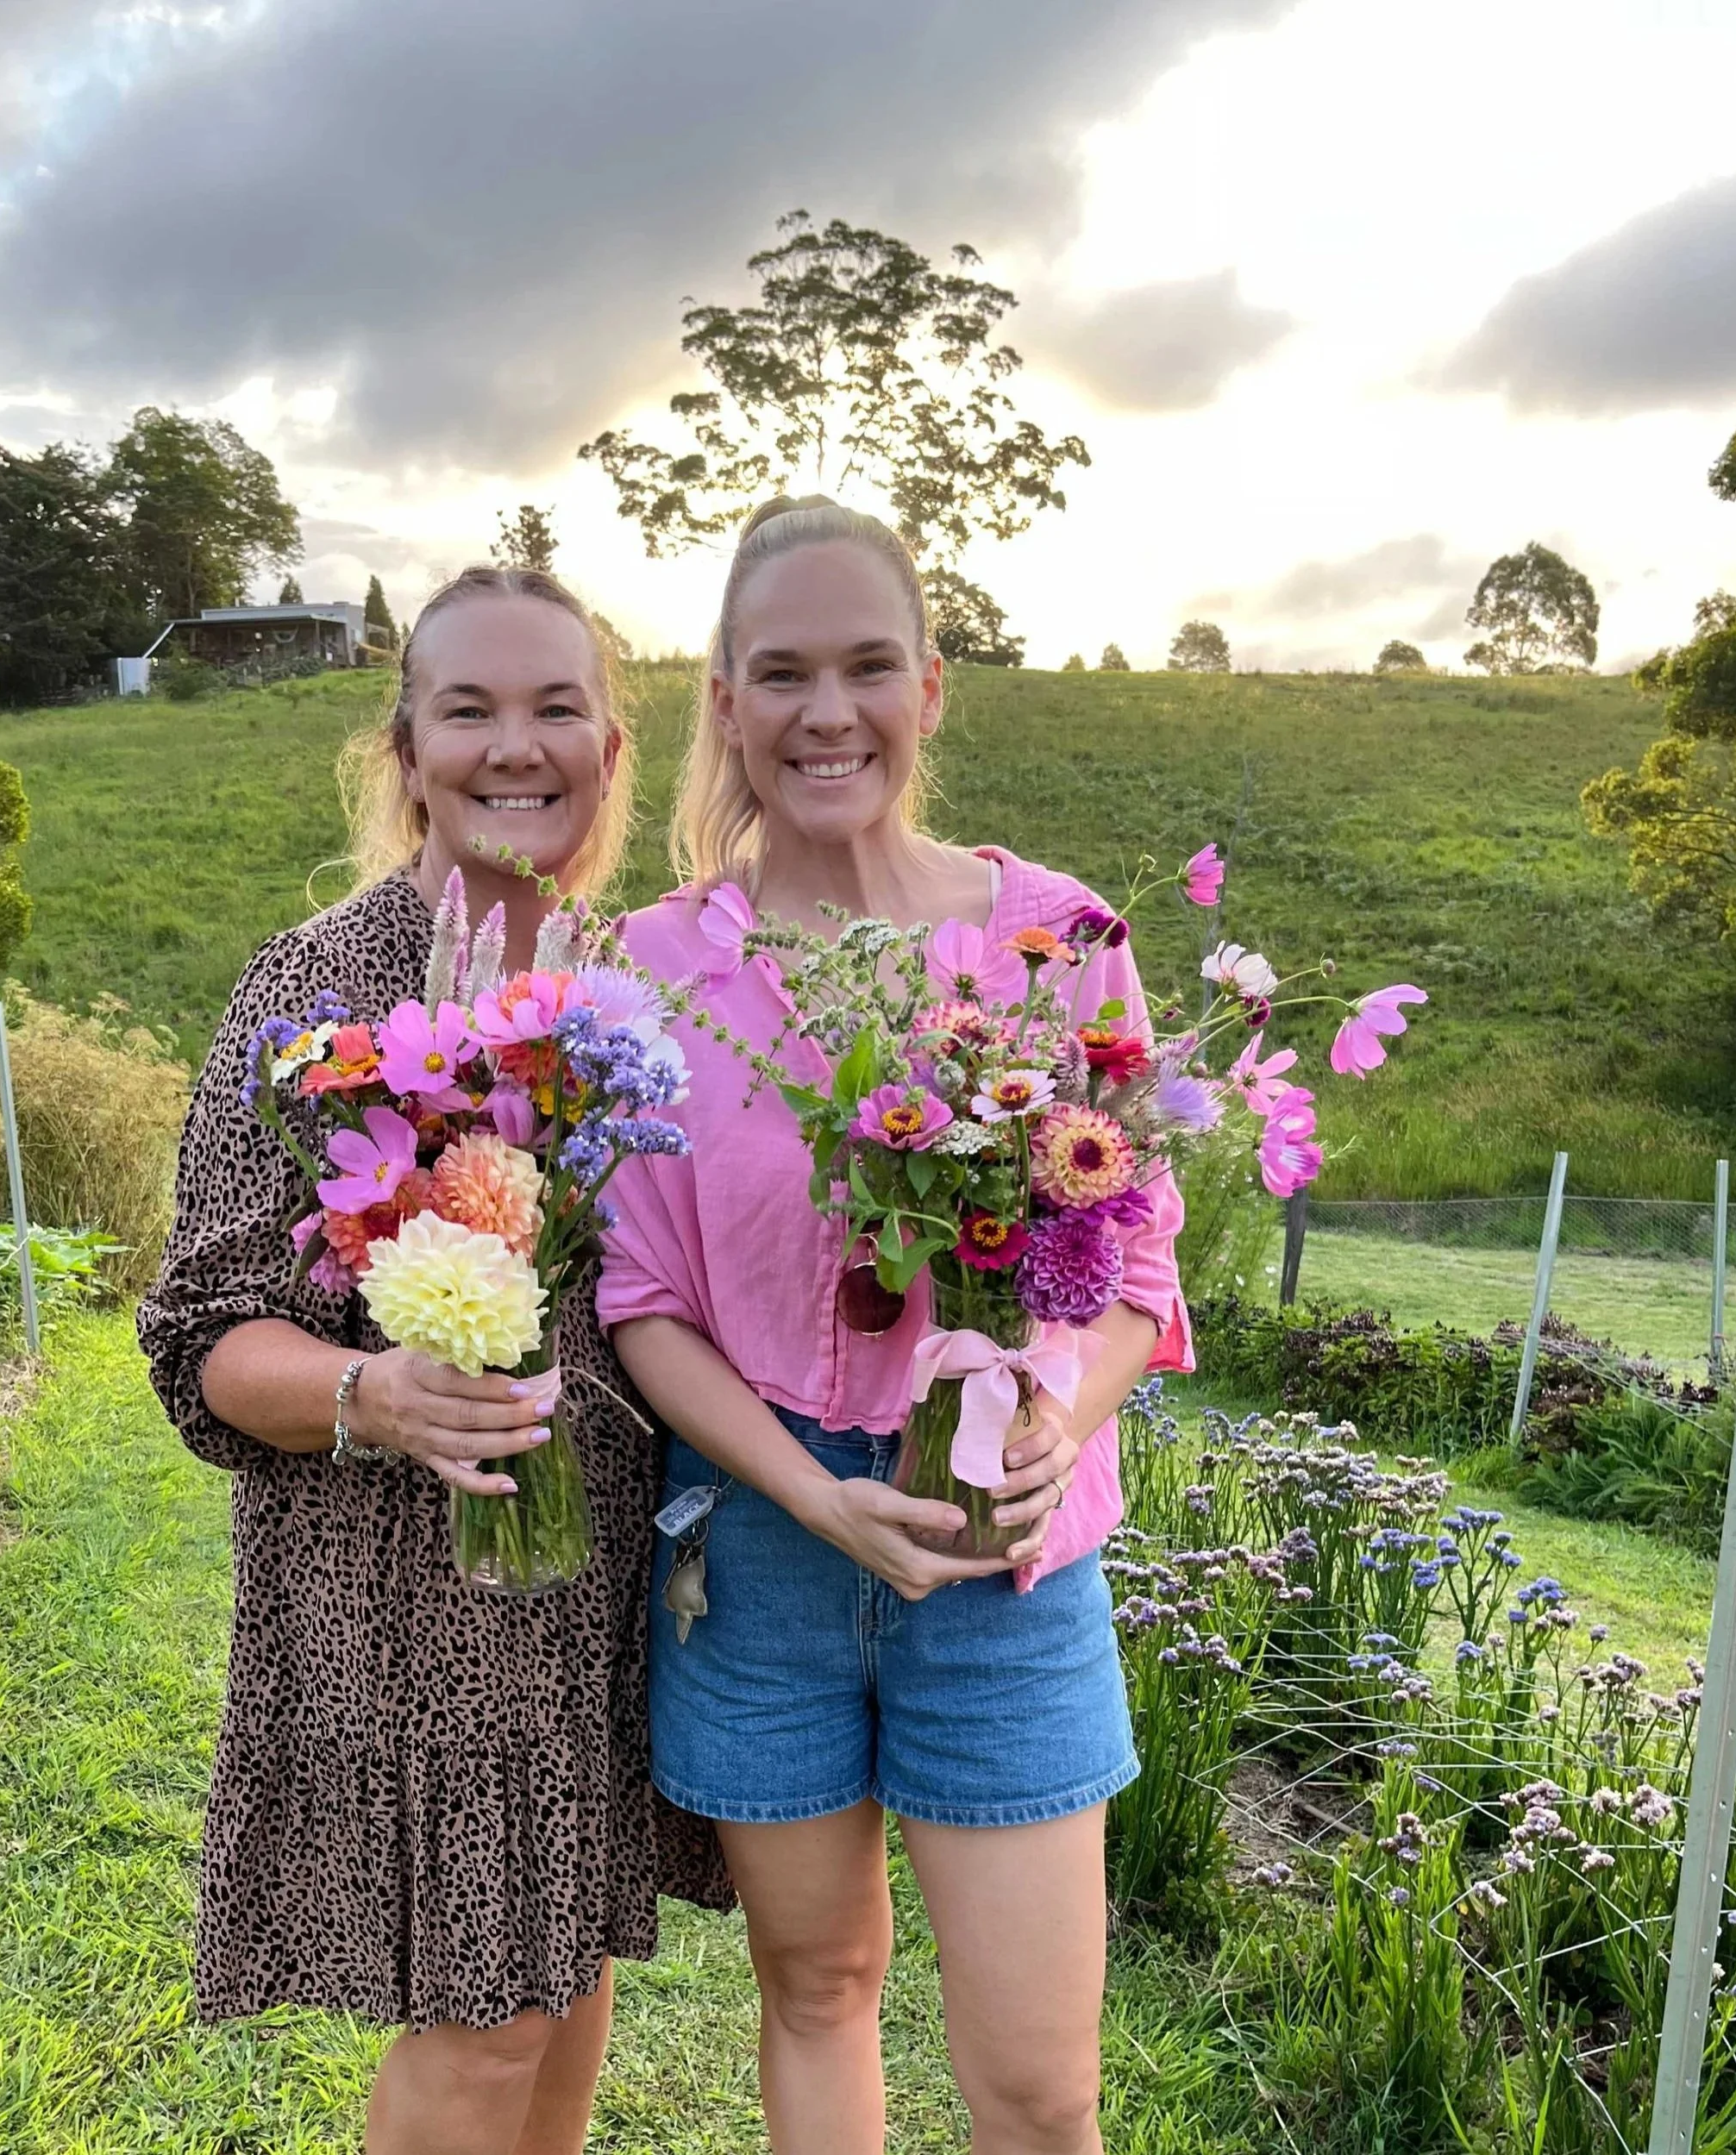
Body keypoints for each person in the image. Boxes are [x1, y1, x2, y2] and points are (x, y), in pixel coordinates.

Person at [599, 498, 1191, 2155]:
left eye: (867, 665)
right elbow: (640, 1298)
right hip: (767, 1551)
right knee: (818, 1988)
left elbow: (1138, 1272)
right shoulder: (650, 966)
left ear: (930, 687)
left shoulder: (1056, 935)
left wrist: (1061, 1417)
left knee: (1038, 2086)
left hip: (1006, 1558)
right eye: (780, 671)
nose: (825, 711)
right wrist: (808, 1490)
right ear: (724, 699)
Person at [137, 563, 729, 2155]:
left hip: (590, 1587)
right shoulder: (317, 987)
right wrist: (367, 1393)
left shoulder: (634, 993)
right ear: (406, 748)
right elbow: (199, 1335)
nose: (512, 745)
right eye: (467, 708)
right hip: (407, 1605)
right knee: (486, 2031)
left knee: (568, 1988)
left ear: (612, 750)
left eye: (554, 708)